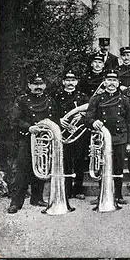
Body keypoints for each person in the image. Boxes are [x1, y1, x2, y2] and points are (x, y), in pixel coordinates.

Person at [7, 74, 58, 214]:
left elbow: (55, 120)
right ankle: (16, 203)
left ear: (45, 85)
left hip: (44, 140)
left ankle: (37, 198)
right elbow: (15, 120)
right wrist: (29, 127)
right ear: (29, 85)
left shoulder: (50, 101)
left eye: (41, 84)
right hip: (27, 139)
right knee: (22, 172)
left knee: (42, 167)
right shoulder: (22, 100)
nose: (38, 87)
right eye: (35, 84)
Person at [85, 70, 130, 206]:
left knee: (118, 168)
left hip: (120, 138)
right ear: (104, 82)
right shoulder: (96, 99)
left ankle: (118, 195)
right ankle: (102, 194)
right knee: (102, 166)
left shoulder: (124, 100)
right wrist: (93, 122)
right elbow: (88, 117)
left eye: (114, 81)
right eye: (109, 80)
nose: (111, 83)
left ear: (118, 83)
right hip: (102, 139)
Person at [55, 71, 89, 200]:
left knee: (80, 161)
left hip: (79, 134)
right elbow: (51, 113)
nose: (70, 83)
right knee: (66, 161)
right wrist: (59, 120)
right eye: (67, 80)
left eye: (73, 80)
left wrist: (82, 114)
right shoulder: (56, 97)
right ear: (63, 82)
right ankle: (67, 189)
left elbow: (91, 110)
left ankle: (79, 189)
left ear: (76, 82)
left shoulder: (82, 97)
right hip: (63, 134)